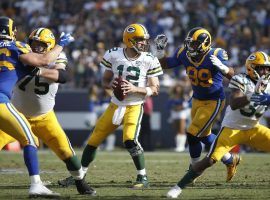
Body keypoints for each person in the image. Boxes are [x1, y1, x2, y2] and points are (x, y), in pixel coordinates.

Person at [58, 23, 163, 189]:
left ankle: (142, 176)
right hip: (115, 104)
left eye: (145, 40)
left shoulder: (149, 59)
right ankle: (79, 176)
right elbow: (105, 81)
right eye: (140, 40)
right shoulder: (113, 54)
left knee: (130, 139)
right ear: (129, 41)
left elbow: (156, 89)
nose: (144, 43)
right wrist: (111, 88)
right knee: (93, 140)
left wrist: (135, 88)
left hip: (135, 105)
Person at [0, 27, 96, 196]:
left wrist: (38, 70)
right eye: (34, 43)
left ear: (50, 46)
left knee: (65, 151)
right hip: (16, 112)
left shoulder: (57, 56)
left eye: (41, 44)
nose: (36, 47)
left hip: (44, 116)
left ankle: (80, 181)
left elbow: (63, 76)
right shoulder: (22, 52)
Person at [166, 51, 270, 198]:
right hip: (232, 129)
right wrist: (253, 96)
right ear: (251, 67)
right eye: (261, 68)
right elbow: (234, 103)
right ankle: (178, 187)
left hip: (254, 128)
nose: (265, 71)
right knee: (209, 160)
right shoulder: (240, 79)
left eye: (267, 68)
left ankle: (229, 161)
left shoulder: (268, 84)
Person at [153, 27, 240, 181]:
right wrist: (159, 51)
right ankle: (229, 159)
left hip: (214, 100)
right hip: (197, 99)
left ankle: (194, 170)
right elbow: (165, 64)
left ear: (205, 44)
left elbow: (234, 75)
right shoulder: (183, 53)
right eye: (189, 43)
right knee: (204, 136)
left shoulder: (215, 54)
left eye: (194, 44)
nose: (190, 47)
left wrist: (223, 67)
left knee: (192, 133)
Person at [167, 82, 191, 152]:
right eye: (177, 88)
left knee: (182, 130)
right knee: (177, 130)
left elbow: (187, 104)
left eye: (179, 88)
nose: (178, 89)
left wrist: (180, 107)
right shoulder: (172, 97)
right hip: (174, 113)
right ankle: (178, 146)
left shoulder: (184, 96)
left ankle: (182, 146)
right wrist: (174, 108)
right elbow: (168, 105)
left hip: (182, 114)